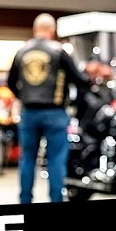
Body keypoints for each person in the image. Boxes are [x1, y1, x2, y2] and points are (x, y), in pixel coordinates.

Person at [9, 14, 88, 204]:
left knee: (27, 158)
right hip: (55, 113)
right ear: (52, 31)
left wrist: (24, 97)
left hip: (28, 113)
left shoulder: (22, 52)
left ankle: (25, 201)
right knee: (56, 160)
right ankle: (55, 200)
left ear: (35, 29)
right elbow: (79, 80)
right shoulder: (59, 52)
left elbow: (11, 82)